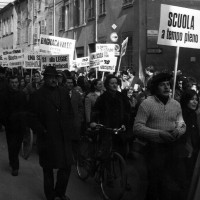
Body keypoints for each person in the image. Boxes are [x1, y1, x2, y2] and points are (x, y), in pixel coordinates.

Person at [133, 72, 186, 200]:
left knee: (169, 182)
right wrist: (159, 133)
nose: (167, 87)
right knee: (154, 182)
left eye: (168, 84)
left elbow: (182, 123)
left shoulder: (176, 104)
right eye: (162, 85)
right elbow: (137, 127)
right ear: (155, 87)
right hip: (154, 149)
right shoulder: (147, 104)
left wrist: (178, 131)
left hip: (172, 147)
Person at [28, 66, 73, 200]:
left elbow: (69, 111)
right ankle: (50, 195)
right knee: (48, 169)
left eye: (55, 77)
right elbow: (31, 117)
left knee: (66, 167)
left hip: (63, 137)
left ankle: (60, 192)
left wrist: (69, 126)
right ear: (45, 78)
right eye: (50, 77)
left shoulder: (64, 92)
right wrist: (42, 130)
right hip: (48, 138)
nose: (53, 80)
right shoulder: (37, 95)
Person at [0, 75, 27, 176]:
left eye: (16, 82)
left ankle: (12, 161)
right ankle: (15, 166)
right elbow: (2, 111)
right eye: (12, 82)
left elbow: (25, 109)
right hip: (10, 126)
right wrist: (4, 122)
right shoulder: (4, 95)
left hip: (20, 125)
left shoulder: (22, 94)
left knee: (16, 146)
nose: (14, 84)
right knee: (12, 146)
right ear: (9, 83)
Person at [65, 76, 84, 162]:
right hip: (65, 121)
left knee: (76, 141)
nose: (70, 84)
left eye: (71, 83)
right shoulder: (61, 93)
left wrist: (79, 117)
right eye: (68, 82)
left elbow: (80, 107)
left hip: (75, 121)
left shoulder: (77, 94)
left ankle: (77, 159)